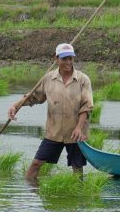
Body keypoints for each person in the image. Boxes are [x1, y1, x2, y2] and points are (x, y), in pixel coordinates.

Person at [8, 43, 93, 183]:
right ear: (56, 58)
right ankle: (31, 193)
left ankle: (77, 199)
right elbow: (34, 96)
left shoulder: (83, 79)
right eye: (64, 58)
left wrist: (79, 127)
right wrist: (15, 106)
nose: (68, 62)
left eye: (71, 58)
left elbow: (86, 106)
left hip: (76, 133)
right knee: (35, 164)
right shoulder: (48, 78)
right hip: (54, 132)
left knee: (77, 168)